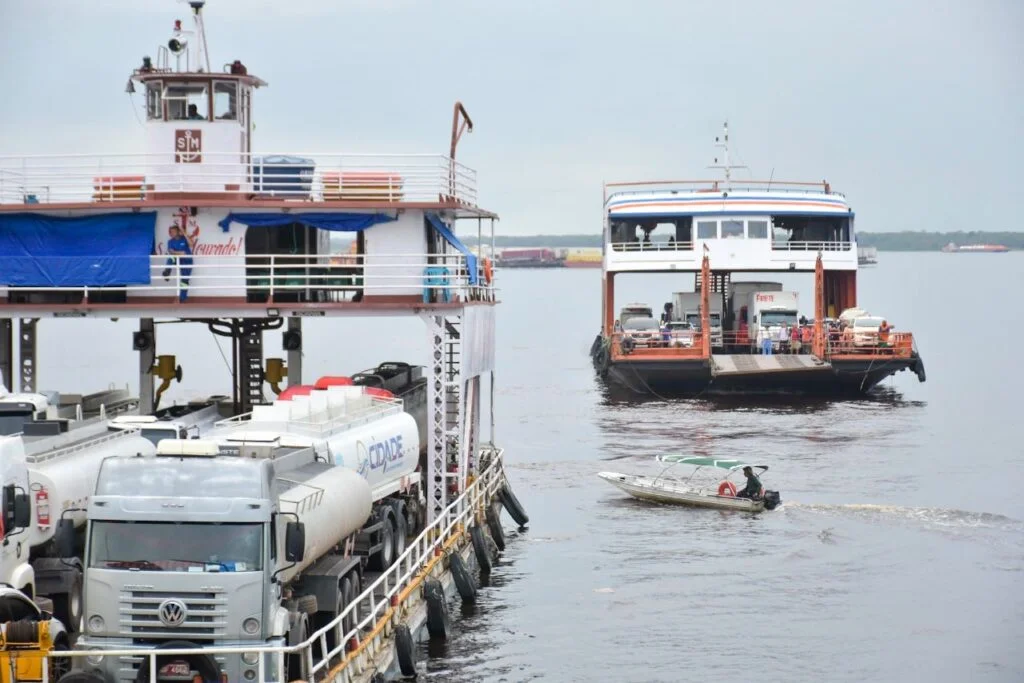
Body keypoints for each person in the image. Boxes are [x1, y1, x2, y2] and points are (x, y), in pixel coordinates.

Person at [162, 225, 194, 302]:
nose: (171, 233)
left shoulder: (184, 239)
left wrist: (185, 234)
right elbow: (171, 251)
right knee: (171, 257)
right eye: (170, 232)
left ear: (178, 232)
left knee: (184, 280)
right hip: (177, 259)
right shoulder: (170, 241)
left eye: (173, 231)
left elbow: (191, 244)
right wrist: (181, 253)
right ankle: (167, 271)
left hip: (187, 261)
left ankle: (182, 299)